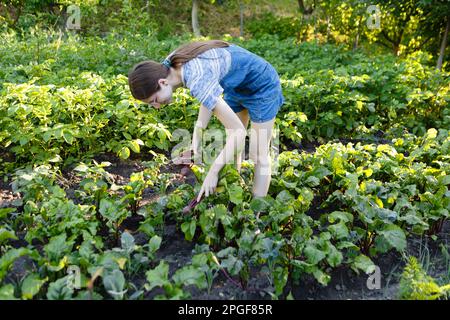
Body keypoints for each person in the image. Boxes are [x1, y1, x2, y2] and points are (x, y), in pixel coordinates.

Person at [128, 40, 284, 202]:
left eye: (154, 100)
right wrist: (195, 146)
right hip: (236, 85)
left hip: (261, 85)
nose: (156, 106)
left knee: (257, 153)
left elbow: (239, 131)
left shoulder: (193, 76)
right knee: (233, 147)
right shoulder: (169, 66)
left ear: (162, 83)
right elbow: (205, 96)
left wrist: (213, 173)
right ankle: (235, 196)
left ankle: (254, 217)